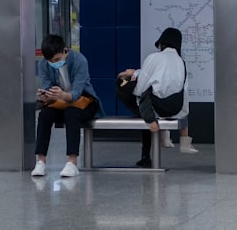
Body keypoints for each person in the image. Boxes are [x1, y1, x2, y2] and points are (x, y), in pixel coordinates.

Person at [117, 27, 189, 168]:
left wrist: (130, 78)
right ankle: (158, 134)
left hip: (156, 108)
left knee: (124, 88)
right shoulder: (181, 62)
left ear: (161, 44)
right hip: (175, 108)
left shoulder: (154, 57)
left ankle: (146, 154)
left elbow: (140, 88)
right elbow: (184, 91)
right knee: (147, 106)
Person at [32, 34, 101, 179]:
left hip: (83, 101)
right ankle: (41, 161)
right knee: (44, 115)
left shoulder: (79, 60)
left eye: (56, 60)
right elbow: (47, 86)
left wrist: (62, 95)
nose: (53, 63)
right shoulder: (43, 64)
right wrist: (46, 96)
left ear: (65, 50)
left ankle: (72, 162)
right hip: (59, 103)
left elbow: (76, 92)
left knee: (71, 113)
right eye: (50, 61)